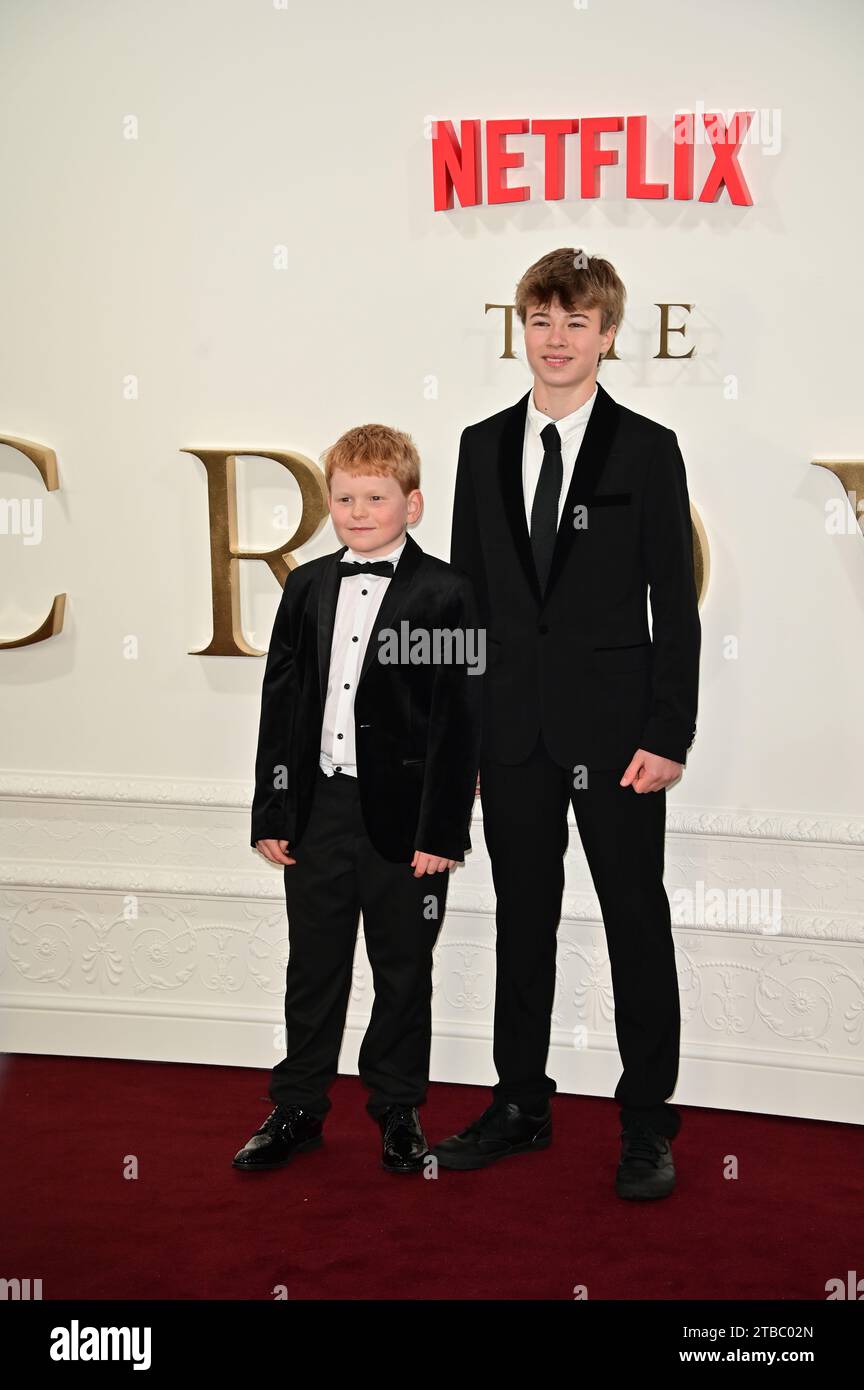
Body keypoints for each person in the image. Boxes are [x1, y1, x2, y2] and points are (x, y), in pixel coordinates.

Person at [433, 248, 701, 1200]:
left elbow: (675, 600)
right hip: (509, 734)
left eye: (576, 324)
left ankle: (646, 1124)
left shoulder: (648, 448)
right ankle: (520, 1105)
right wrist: (458, 739)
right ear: (523, 330)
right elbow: (464, 604)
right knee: (523, 922)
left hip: (620, 737)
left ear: (608, 335)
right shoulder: (477, 445)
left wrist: (669, 731)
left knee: (637, 921)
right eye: (541, 321)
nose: (557, 340)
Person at [235, 423, 482, 1175]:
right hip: (318, 810)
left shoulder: (448, 593)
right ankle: (299, 1105)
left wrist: (441, 828)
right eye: (344, 498)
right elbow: (281, 704)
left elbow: (459, 721)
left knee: (403, 967)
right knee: (312, 965)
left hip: (407, 824)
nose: (357, 511)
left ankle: (398, 1107)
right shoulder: (307, 586)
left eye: (375, 497)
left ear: (411, 504)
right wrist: (274, 810)